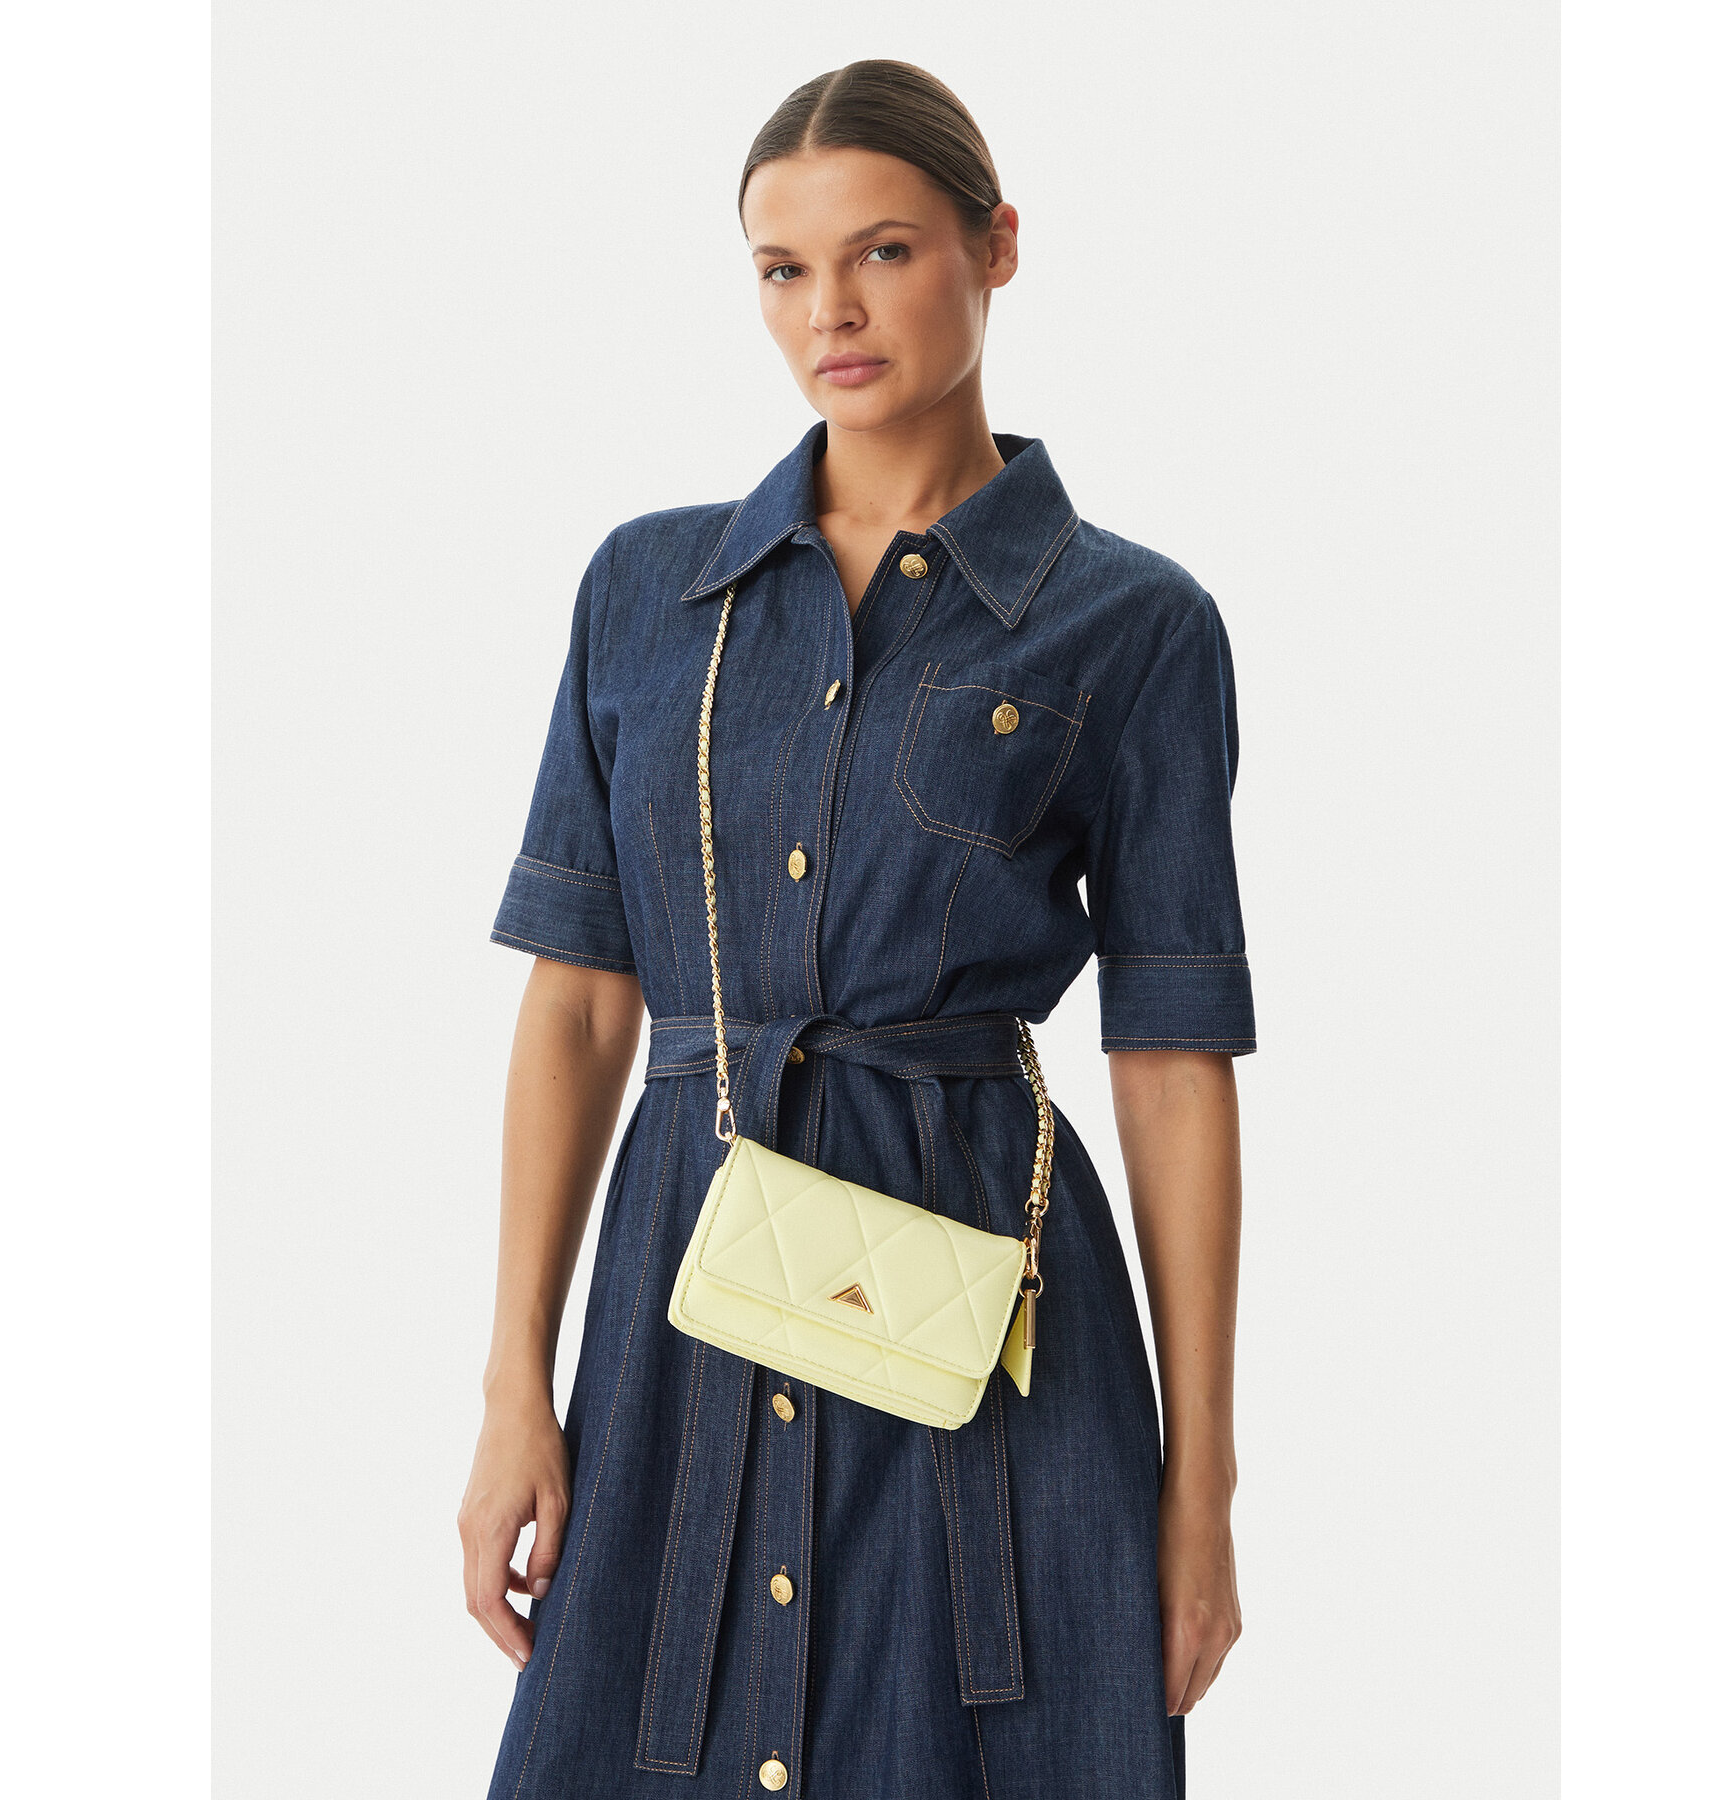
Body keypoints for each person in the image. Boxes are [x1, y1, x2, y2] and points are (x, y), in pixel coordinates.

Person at [458, 58, 1254, 1800]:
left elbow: (1173, 1059)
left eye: (884, 251)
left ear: (997, 245)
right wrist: (516, 1383)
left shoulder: (1135, 626)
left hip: (990, 1318)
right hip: (680, 1302)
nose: (831, 310)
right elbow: (581, 1005)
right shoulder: (648, 592)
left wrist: (1199, 1481)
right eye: (783, 268)